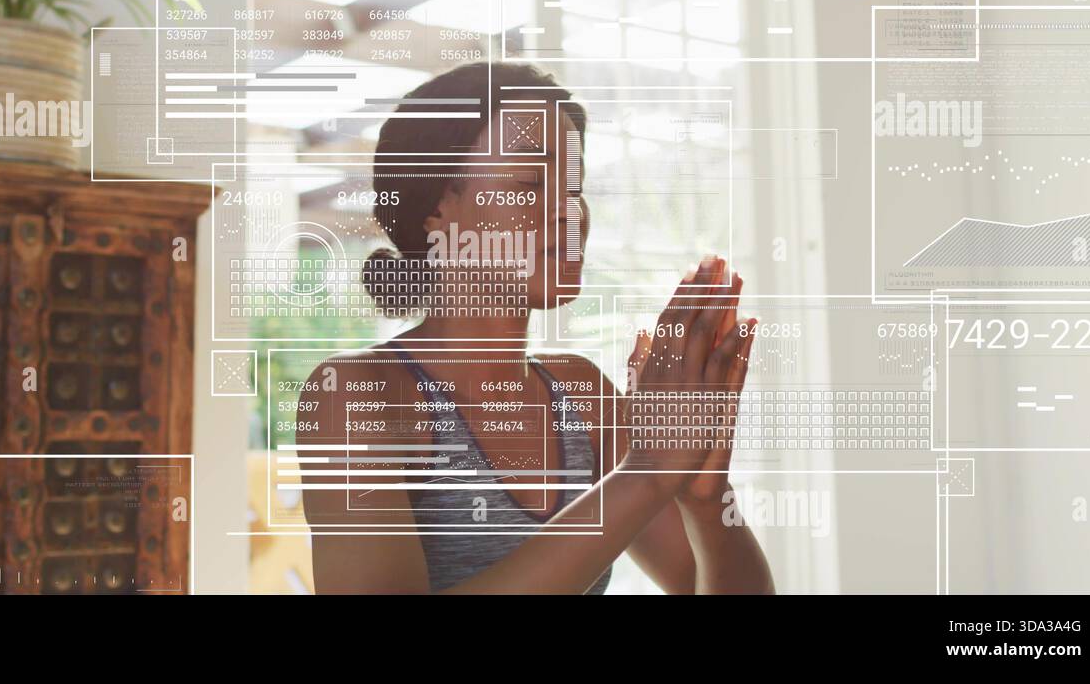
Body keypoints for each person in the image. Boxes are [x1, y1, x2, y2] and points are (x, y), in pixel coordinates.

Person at [297, 62, 773, 594]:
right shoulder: (357, 395)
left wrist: (707, 502)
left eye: (575, 186)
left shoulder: (582, 392)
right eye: (529, 182)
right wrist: (644, 475)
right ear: (436, 207)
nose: (569, 212)